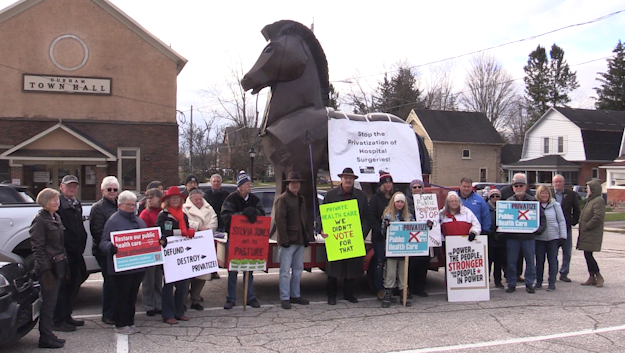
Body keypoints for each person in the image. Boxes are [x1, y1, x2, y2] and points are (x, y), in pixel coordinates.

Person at [99, 191, 149, 335]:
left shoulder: (139, 220)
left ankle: (130, 321)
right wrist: (111, 248)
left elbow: (147, 238)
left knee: (132, 295)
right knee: (122, 296)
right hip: (121, 268)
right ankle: (121, 323)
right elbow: (103, 242)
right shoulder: (113, 220)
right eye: (128, 205)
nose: (131, 207)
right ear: (119, 205)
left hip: (137, 266)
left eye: (133, 205)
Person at [321, 167, 370, 305]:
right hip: (335, 238)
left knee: (352, 268)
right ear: (341, 179)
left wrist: (361, 233)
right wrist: (322, 229)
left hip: (354, 237)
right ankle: (331, 295)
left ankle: (349, 294)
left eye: (350, 178)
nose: (348, 180)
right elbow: (322, 216)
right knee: (333, 269)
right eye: (345, 178)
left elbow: (366, 218)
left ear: (354, 180)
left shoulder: (361, 196)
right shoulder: (330, 195)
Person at [221, 171, 265, 309]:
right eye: (246, 184)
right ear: (239, 186)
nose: (249, 186)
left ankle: (250, 297)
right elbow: (226, 216)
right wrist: (241, 215)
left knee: (249, 269)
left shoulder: (254, 199)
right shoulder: (230, 199)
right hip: (235, 240)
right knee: (233, 269)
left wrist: (254, 213)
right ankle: (231, 298)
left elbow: (262, 213)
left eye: (250, 184)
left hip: (251, 240)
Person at [30, 188, 67, 348]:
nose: (56, 202)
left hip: (58, 266)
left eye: (57, 199)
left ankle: (49, 333)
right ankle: (45, 337)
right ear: (45, 201)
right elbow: (37, 247)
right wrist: (45, 271)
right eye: (53, 200)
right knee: (48, 302)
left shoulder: (55, 217)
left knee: (52, 302)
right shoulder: (40, 220)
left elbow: (60, 244)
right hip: (48, 269)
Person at [156, 187, 195, 324]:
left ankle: (180, 311)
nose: (176, 200)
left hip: (182, 255)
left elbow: (187, 230)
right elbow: (161, 234)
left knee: (183, 286)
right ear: (167, 200)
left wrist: (189, 231)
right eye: (173, 198)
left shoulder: (183, 215)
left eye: (178, 198)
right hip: (169, 257)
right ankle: (168, 314)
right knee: (168, 286)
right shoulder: (163, 215)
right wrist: (181, 233)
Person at [53, 175, 88, 332]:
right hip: (64, 254)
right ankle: (58, 320)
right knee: (61, 288)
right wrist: (63, 253)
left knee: (73, 286)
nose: (72, 189)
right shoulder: (58, 205)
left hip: (76, 253)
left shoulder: (76, 204)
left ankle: (67, 316)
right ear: (61, 187)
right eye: (68, 186)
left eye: (74, 186)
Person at [503, 173, 546, 294]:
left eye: (521, 185)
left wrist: (538, 230)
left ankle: (529, 283)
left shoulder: (533, 202)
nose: (518, 188)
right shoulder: (508, 202)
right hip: (513, 238)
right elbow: (502, 219)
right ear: (513, 187)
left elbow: (542, 219)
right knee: (511, 262)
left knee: (530, 262)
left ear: (525, 186)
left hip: (528, 238)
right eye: (516, 186)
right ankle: (511, 283)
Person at [274, 172, 311, 309]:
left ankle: (295, 295)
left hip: (300, 239)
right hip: (288, 241)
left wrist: (307, 236)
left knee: (298, 270)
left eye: (297, 182)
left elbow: (305, 220)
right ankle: (285, 297)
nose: (295, 185)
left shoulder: (301, 199)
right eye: (293, 182)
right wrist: (284, 240)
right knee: (284, 271)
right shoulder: (282, 199)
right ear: (288, 184)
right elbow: (280, 221)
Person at [89, 176, 120, 325]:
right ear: (102, 190)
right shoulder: (98, 208)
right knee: (110, 283)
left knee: (119, 283)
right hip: (105, 252)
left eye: (115, 189)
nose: (112, 192)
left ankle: (117, 311)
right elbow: (97, 231)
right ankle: (108, 314)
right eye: (109, 189)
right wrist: (110, 246)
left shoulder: (120, 204)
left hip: (120, 252)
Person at [183, 187, 218, 311]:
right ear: (191, 199)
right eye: (196, 199)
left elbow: (214, 221)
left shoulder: (209, 208)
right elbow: (184, 222)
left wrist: (208, 230)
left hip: (204, 243)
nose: (199, 201)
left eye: (200, 199)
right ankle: (183, 299)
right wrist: (198, 227)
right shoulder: (184, 208)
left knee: (201, 274)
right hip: (189, 244)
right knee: (187, 274)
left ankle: (195, 298)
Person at [380, 192, 415, 308]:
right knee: (390, 273)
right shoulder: (388, 215)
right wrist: (386, 225)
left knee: (403, 273)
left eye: (401, 202)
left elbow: (415, 228)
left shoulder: (408, 216)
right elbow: (383, 233)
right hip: (392, 249)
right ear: (393, 203)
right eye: (397, 202)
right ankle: (387, 295)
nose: (399, 204)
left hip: (405, 249)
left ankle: (403, 294)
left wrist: (427, 225)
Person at [368, 172, 396, 300]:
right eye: (386, 182)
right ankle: (379, 289)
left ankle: (391, 288)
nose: (388, 184)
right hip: (380, 236)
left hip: (394, 236)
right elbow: (372, 217)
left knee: (392, 263)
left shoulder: (395, 198)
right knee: (379, 262)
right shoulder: (375, 199)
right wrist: (381, 230)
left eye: (390, 182)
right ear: (382, 184)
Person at [534, 185, 567, 291]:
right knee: (539, 261)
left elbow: (561, 220)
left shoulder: (555, 205)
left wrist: (563, 235)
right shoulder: (534, 205)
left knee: (552, 260)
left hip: (553, 238)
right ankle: (538, 281)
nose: (544, 195)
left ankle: (552, 282)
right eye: (542, 193)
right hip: (539, 238)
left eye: (546, 193)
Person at [139, 187, 164, 316]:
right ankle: (149, 305)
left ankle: (159, 303)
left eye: (151, 197)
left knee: (158, 279)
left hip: (160, 251)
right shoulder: (145, 214)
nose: (148, 200)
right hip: (149, 251)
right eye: (147, 198)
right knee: (148, 280)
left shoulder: (163, 212)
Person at [551, 174, 580, 282]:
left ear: (564, 183)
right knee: (552, 252)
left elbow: (576, 210)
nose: (557, 184)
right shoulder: (549, 193)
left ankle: (564, 273)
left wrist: (573, 222)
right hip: (552, 228)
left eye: (559, 182)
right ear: (553, 183)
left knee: (567, 252)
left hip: (566, 228)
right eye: (555, 182)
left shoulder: (571, 194)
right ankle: (553, 272)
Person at [577, 180, 606, 287]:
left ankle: (598, 276)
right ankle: (591, 277)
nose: (586, 190)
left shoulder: (598, 201)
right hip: (587, 233)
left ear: (593, 189)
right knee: (587, 254)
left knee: (588, 255)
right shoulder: (591, 200)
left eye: (588, 188)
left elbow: (598, 217)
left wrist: (587, 226)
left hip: (591, 233)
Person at [405, 179, 430, 298]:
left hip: (425, 235)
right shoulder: (405, 200)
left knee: (423, 263)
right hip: (411, 235)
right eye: (414, 187)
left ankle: (420, 288)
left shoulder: (428, 200)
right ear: (411, 189)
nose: (417, 189)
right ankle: (409, 288)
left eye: (419, 187)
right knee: (411, 264)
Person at [486, 188, 506, 288]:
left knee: (499, 262)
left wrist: (501, 233)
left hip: (501, 239)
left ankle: (498, 280)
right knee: (488, 261)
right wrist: (491, 233)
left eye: (497, 196)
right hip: (489, 238)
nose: (495, 198)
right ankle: (486, 280)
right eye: (492, 196)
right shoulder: (486, 208)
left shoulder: (504, 208)